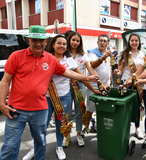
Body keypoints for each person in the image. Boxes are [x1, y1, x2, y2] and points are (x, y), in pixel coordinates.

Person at [0, 25, 98, 160]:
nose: (38, 43)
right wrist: (1, 104)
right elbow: (5, 81)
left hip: (40, 110)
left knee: (41, 142)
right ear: (28, 40)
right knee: (10, 147)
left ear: (46, 42)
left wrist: (86, 78)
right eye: (34, 40)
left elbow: (67, 72)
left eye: (41, 41)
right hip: (16, 109)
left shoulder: (50, 59)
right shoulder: (16, 56)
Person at [64, 31, 99, 147]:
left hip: (81, 86)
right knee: (66, 112)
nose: (75, 42)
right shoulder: (64, 53)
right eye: (73, 40)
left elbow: (90, 69)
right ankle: (66, 135)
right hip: (65, 86)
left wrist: (97, 80)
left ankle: (79, 134)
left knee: (80, 111)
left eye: (77, 41)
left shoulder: (83, 55)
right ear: (69, 40)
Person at [117, 33, 144, 139]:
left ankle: (137, 128)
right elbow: (120, 70)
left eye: (136, 40)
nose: (134, 42)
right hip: (125, 83)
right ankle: (124, 128)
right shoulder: (124, 53)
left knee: (137, 107)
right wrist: (118, 71)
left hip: (137, 84)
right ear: (129, 42)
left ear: (139, 42)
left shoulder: (142, 54)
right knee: (124, 107)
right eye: (132, 40)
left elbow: (142, 70)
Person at [84, 34, 112, 133]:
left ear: (108, 43)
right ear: (97, 42)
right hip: (94, 86)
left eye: (105, 41)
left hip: (106, 86)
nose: (102, 42)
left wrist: (110, 82)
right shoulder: (92, 53)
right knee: (90, 109)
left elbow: (109, 69)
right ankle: (85, 128)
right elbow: (92, 65)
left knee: (103, 109)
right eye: (100, 40)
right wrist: (103, 57)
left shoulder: (109, 55)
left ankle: (99, 127)